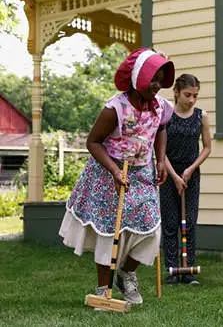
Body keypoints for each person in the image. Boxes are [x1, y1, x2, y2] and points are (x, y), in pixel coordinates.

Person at [59, 47, 175, 304]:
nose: (157, 85)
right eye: (152, 79)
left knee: (150, 229)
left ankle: (127, 273)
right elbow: (94, 142)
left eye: (160, 79)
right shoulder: (115, 108)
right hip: (107, 173)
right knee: (110, 232)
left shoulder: (161, 107)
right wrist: (113, 170)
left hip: (142, 172)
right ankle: (103, 290)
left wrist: (160, 160)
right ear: (138, 79)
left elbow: (162, 129)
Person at [160, 74, 212, 285]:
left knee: (189, 222)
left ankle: (188, 269)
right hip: (168, 173)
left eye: (195, 96)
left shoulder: (201, 116)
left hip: (191, 174)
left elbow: (207, 147)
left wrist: (190, 170)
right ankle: (172, 269)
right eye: (187, 95)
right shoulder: (166, 115)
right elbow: (160, 151)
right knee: (171, 223)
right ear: (176, 92)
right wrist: (174, 176)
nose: (191, 100)